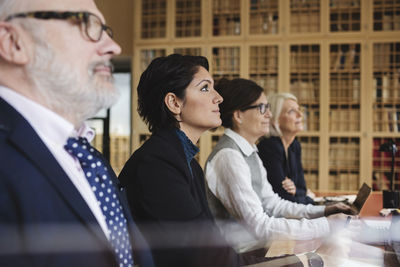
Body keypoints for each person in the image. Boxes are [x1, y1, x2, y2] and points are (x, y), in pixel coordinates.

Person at [118, 54, 310, 267]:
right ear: (174, 102)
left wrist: (300, 261)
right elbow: (204, 257)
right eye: (205, 88)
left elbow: (213, 250)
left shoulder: (185, 160)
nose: (218, 97)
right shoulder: (157, 164)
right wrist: (301, 263)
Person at [0, 0, 153, 266]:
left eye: (106, 30)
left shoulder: (89, 157)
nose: (113, 47)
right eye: (86, 24)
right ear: (13, 42)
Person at [205, 78, 355, 254]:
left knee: (336, 248)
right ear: (238, 116)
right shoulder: (229, 157)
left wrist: (324, 211)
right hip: (240, 256)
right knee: (336, 252)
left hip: (259, 247)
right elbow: (259, 226)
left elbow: (273, 204)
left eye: (268, 108)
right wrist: (326, 224)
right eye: (262, 108)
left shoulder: (249, 150)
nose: (269, 114)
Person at [257, 92, 314, 204]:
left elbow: (302, 189)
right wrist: (309, 199)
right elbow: (283, 198)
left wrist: (298, 192)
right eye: (292, 111)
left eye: (299, 109)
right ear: (275, 120)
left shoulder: (294, 146)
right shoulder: (269, 147)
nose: (300, 115)